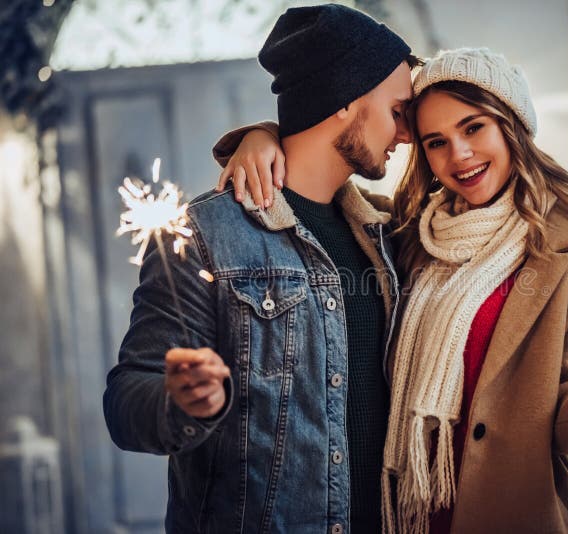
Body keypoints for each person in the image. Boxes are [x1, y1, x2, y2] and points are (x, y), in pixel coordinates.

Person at [215, 47, 568, 533]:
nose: (459, 155)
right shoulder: (407, 233)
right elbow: (320, 183)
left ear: (510, 124)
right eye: (436, 142)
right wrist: (262, 138)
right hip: (407, 516)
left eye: (473, 128)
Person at [103, 4, 421, 533]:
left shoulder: (388, 235)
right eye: (397, 111)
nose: (406, 134)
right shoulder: (205, 235)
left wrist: (258, 133)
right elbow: (125, 401)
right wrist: (180, 401)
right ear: (345, 99)